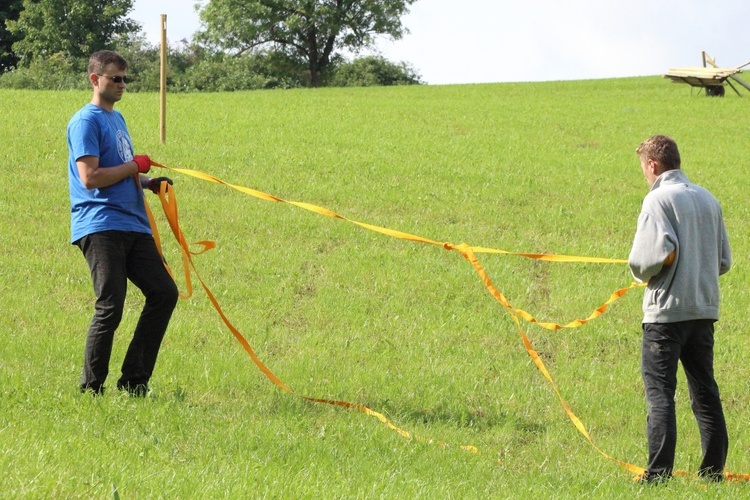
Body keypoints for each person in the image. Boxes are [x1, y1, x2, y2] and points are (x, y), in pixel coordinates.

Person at [67, 50, 178, 396]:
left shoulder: (118, 119)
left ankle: (134, 382)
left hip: (134, 225)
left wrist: (147, 183)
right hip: (101, 225)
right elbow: (90, 177)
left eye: (124, 79)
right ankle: (91, 388)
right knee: (111, 305)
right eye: (114, 78)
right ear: (94, 79)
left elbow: (120, 172)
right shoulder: (86, 121)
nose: (121, 85)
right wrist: (135, 167)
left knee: (164, 293)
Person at [628, 135, 731, 482]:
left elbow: (643, 263)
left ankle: (658, 474)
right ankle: (713, 472)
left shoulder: (656, 201)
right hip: (703, 312)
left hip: (666, 316)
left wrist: (664, 266)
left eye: (643, 168)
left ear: (653, 165)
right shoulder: (708, 199)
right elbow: (723, 261)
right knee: (705, 391)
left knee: (660, 396)